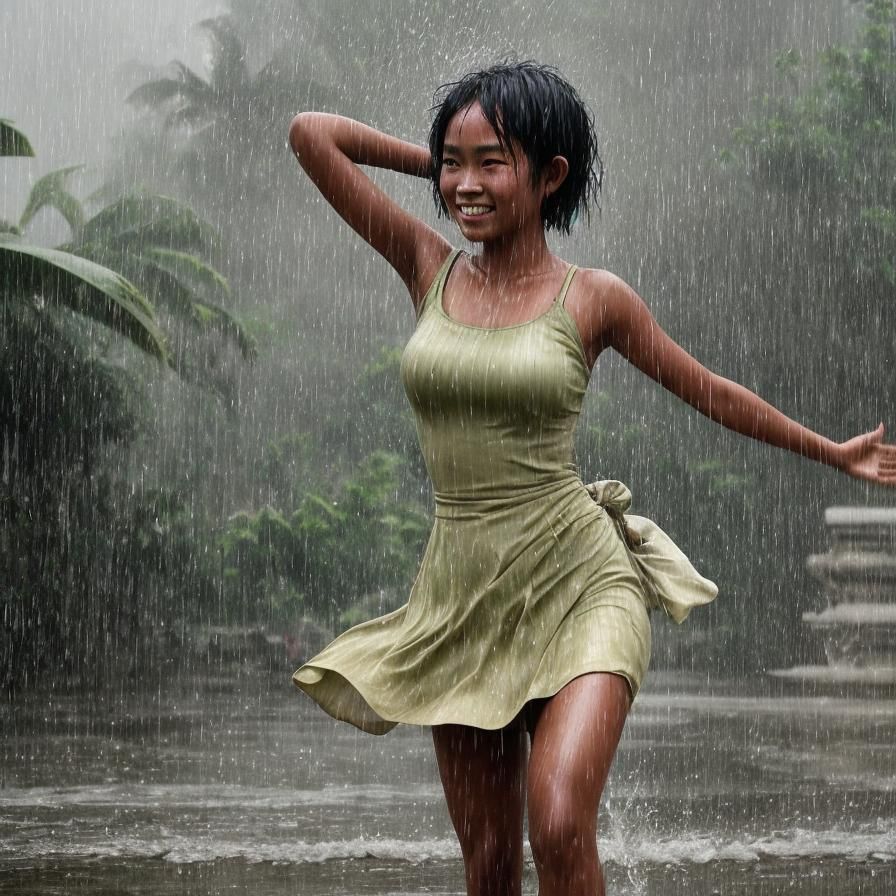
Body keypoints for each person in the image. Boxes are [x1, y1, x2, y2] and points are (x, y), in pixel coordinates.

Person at [288, 61, 896, 896]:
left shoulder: (592, 298)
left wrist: (834, 451)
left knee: (562, 821)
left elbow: (710, 390)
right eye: (452, 162)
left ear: (551, 177)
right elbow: (310, 135)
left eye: (490, 162)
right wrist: (435, 159)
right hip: (461, 595)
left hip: (580, 583)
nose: (463, 185)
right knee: (491, 865)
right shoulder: (427, 267)